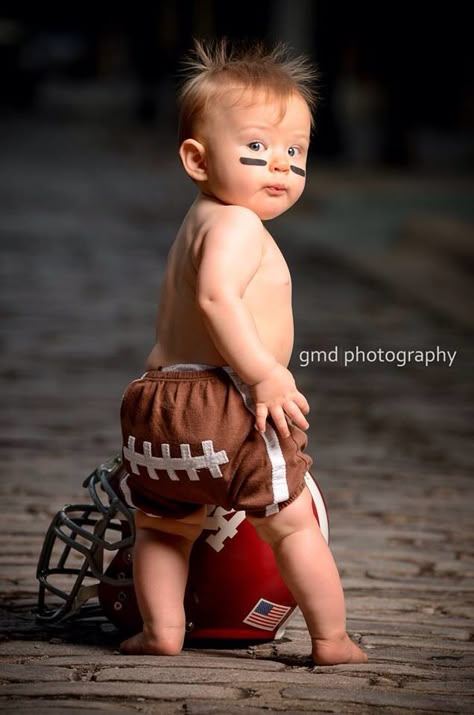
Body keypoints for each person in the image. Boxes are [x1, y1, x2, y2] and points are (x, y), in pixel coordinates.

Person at [119, 39, 367, 665]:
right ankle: (332, 639)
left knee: (162, 527)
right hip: (223, 400)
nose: (280, 167)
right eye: (256, 148)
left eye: (296, 154)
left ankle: (162, 629)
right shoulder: (236, 225)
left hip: (155, 402)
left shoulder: (198, 220)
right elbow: (216, 299)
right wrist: (263, 374)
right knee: (292, 525)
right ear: (197, 160)